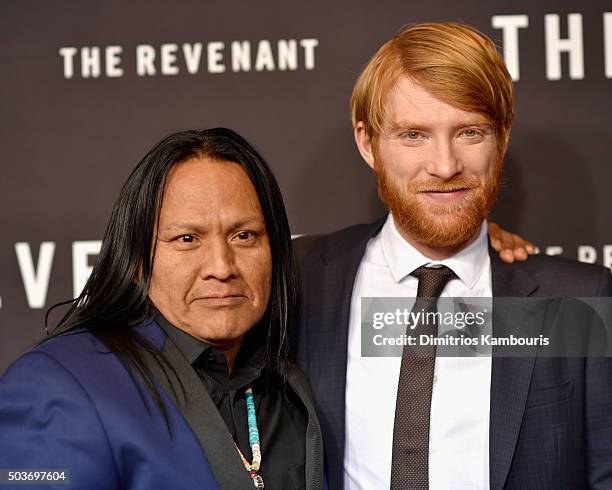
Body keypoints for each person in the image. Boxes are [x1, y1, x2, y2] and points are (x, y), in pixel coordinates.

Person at [293, 22, 612, 489]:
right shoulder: (302, 278)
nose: (445, 166)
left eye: (469, 132)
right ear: (367, 143)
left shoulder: (582, 300)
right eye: (413, 135)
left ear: (502, 138)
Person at [0, 128, 325, 489]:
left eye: (243, 235)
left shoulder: (290, 380)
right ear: (138, 261)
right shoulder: (59, 383)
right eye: (187, 239)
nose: (221, 266)